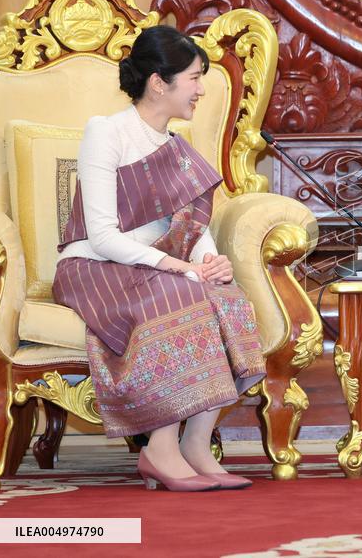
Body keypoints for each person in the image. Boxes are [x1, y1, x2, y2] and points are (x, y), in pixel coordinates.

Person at [53, 25, 266, 492]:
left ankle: (196, 443)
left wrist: (210, 263)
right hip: (94, 267)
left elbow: (194, 226)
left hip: (159, 267)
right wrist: (179, 267)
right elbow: (104, 236)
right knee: (179, 297)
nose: (201, 89)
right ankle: (159, 450)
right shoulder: (106, 133)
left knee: (228, 299)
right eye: (193, 78)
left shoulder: (177, 148)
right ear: (158, 82)